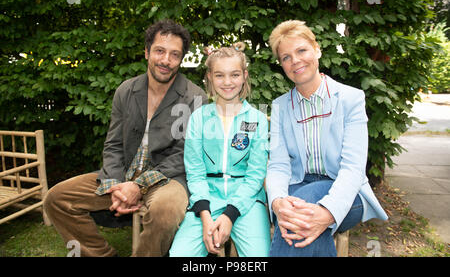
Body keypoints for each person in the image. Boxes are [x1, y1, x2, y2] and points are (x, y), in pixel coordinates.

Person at [43, 20, 208, 257]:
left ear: (181, 59)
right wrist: (115, 186)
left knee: (166, 210)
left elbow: (184, 155)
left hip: (168, 178)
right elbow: (113, 144)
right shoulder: (126, 90)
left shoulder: (195, 97)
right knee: (57, 198)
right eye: (160, 51)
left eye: (174, 54)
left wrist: (139, 186)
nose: (165, 60)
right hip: (123, 174)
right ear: (147, 52)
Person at [265, 20, 388, 257]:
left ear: (317, 49)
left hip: (347, 192)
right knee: (301, 217)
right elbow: (279, 165)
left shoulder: (351, 99)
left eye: (301, 50)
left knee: (298, 217)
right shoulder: (280, 106)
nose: (295, 61)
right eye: (286, 57)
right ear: (281, 65)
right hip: (297, 186)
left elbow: (353, 169)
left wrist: (328, 211)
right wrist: (278, 202)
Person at [169, 42, 271, 257]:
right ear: (209, 78)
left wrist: (230, 215)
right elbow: (195, 172)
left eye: (234, 75)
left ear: (244, 76)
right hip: (207, 199)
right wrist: (205, 216)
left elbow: (255, 175)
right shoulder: (198, 118)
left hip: (248, 201)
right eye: (219, 75)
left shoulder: (257, 119)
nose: (227, 82)